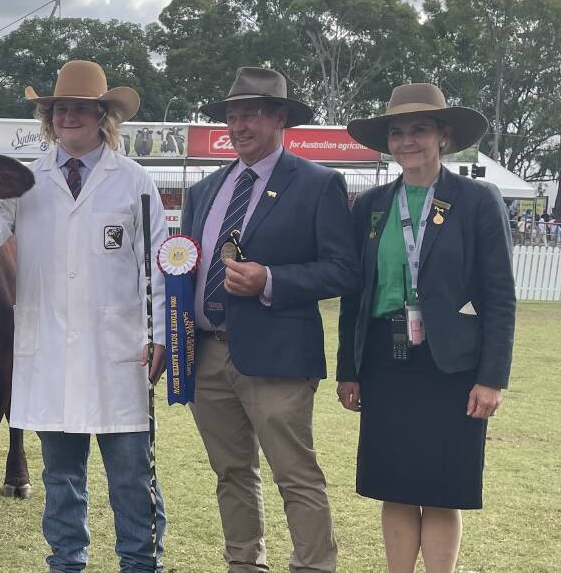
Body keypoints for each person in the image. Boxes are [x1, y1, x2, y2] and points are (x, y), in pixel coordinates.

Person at [0, 59, 168, 573]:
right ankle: (66, 565)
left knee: (133, 477)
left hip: (119, 352)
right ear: (49, 117)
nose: (68, 117)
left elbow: (158, 264)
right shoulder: (24, 180)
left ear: (102, 116)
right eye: (59, 109)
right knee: (60, 479)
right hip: (48, 350)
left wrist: (158, 334)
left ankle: (141, 564)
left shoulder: (134, 181)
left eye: (80, 109)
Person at [180, 67, 358, 572]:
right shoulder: (205, 190)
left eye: (252, 114)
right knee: (231, 472)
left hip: (278, 355)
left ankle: (313, 565)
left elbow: (344, 270)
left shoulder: (318, 183)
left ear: (281, 118)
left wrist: (272, 280)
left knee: (295, 474)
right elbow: (185, 268)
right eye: (232, 116)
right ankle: (244, 564)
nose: (239, 125)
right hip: (208, 353)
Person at [337, 83, 515, 573]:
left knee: (441, 488)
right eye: (397, 132)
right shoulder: (372, 205)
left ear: (443, 136)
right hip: (384, 361)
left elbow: (499, 296)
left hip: (453, 366)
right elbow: (356, 294)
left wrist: (492, 377)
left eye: (419, 129)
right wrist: (348, 370)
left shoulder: (477, 200)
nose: (407, 140)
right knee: (392, 483)